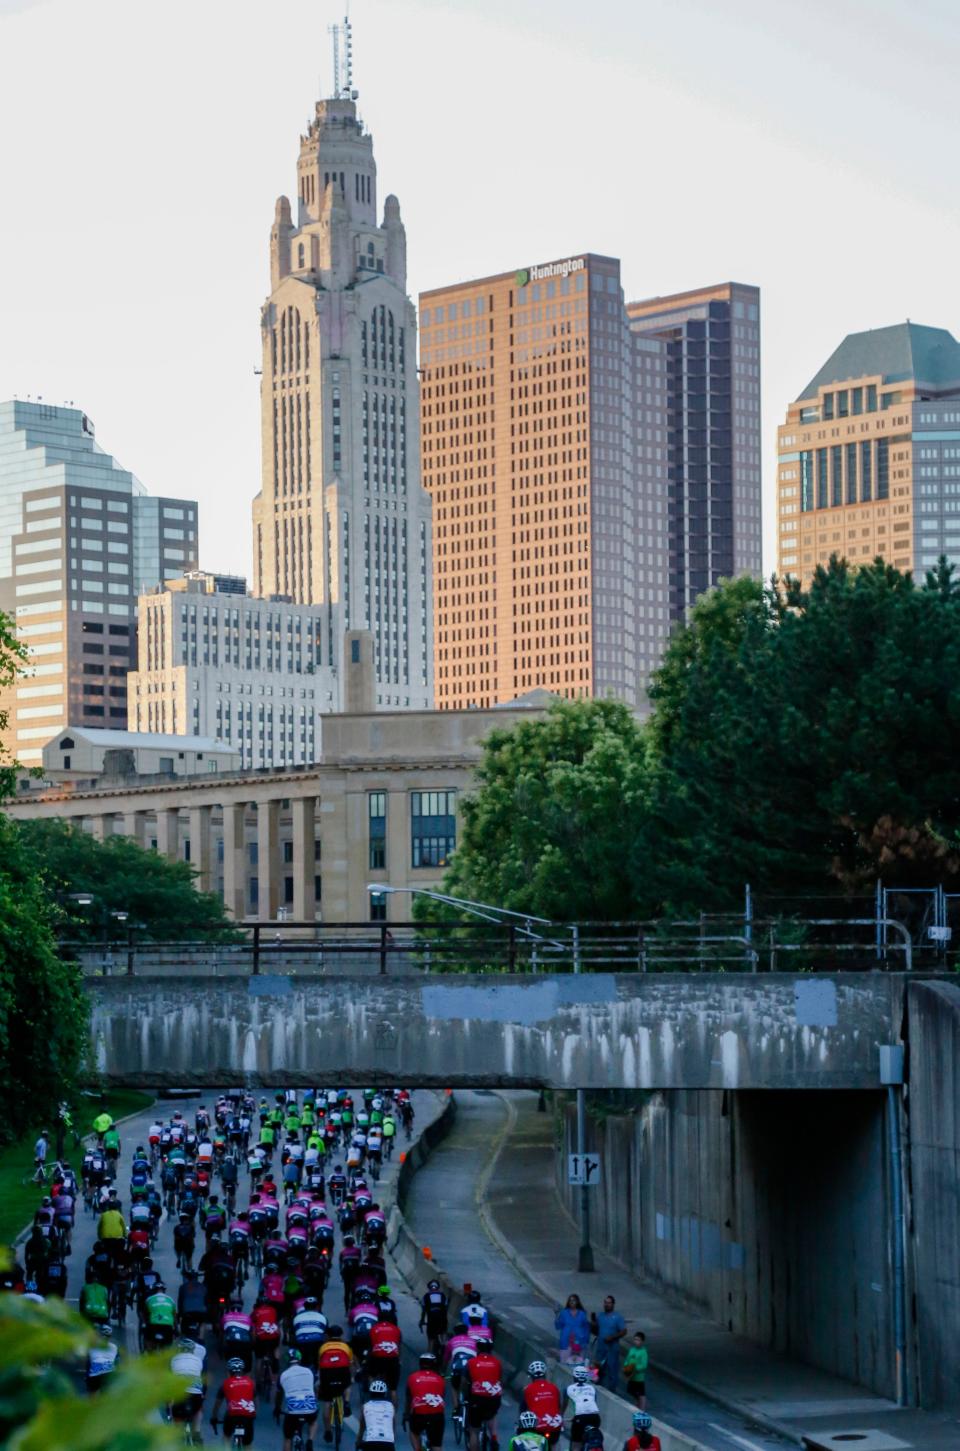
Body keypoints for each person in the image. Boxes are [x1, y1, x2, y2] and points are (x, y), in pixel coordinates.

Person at [275, 1346, 320, 1451]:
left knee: (287, 1438)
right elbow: (315, 1387)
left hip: (293, 1409)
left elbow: (279, 1395)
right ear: (299, 1359)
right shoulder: (309, 1371)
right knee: (313, 1422)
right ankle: (310, 1440)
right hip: (309, 1405)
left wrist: (277, 1408)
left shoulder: (283, 1375)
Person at [465, 1335, 503, 1451]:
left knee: (474, 1431)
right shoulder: (497, 1363)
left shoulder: (471, 1362)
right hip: (494, 1397)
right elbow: (498, 1379)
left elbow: (466, 1381)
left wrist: (466, 1395)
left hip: (477, 1397)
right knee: (492, 1414)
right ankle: (494, 1437)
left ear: (478, 1349)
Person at [405, 1351, 445, 1451]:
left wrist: (406, 1414)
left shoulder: (412, 1377)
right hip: (437, 1415)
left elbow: (409, 1398)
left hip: (419, 1414)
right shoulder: (440, 1379)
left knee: (414, 1432)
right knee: (437, 1445)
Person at [211, 1356, 257, 1445]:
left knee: (227, 1436)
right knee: (248, 1444)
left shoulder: (225, 1383)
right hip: (248, 1414)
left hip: (232, 1415)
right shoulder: (250, 1382)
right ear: (243, 1371)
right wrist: (254, 1413)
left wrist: (214, 1417)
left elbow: (217, 1404)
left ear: (229, 1371)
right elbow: (255, 1401)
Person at [170, 1336, 207, 1439]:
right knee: (198, 1410)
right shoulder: (198, 1360)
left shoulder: (174, 1359)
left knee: (172, 1405)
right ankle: (197, 1431)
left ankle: (176, 1433)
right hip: (195, 1394)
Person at [522, 1362, 563, 1446]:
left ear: (531, 1376)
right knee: (554, 1444)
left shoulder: (527, 1389)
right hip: (554, 1424)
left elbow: (523, 1410)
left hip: (538, 1426)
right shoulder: (554, 1388)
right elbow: (558, 1407)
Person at [590, 1297, 626, 1392]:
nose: (607, 1304)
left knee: (612, 1370)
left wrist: (612, 1337)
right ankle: (591, 1386)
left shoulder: (617, 1317)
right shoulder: (600, 1316)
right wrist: (593, 1322)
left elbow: (623, 1331)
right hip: (601, 1348)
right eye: (605, 1303)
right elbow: (595, 1331)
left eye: (609, 1303)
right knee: (595, 1368)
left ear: (613, 1304)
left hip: (612, 1348)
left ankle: (611, 1391)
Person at [564, 1366, 600, 1451]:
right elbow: (592, 1404)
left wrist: (561, 1416)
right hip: (595, 1418)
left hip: (580, 1418)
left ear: (574, 1377)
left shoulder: (569, 1388)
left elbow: (564, 1404)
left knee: (576, 1444)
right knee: (592, 1439)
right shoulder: (592, 1388)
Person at [359, 1378, 396, 1451]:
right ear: (385, 1394)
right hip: (388, 1443)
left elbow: (362, 1428)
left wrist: (358, 1441)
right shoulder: (391, 1406)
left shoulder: (365, 1406)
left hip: (371, 1441)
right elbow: (393, 1427)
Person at [555, 1295, 590, 1364]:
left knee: (579, 1364)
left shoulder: (582, 1314)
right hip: (565, 1344)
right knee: (564, 1364)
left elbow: (586, 1329)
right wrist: (557, 1314)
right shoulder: (564, 1313)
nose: (572, 1302)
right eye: (570, 1300)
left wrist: (585, 1342)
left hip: (579, 1344)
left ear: (577, 1302)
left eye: (573, 1300)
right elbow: (558, 1326)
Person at [86, 1322, 119, 1394]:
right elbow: (117, 1362)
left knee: (92, 1392)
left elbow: (88, 1363)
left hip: (95, 1372)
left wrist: (87, 1375)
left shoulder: (91, 1345)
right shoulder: (114, 1347)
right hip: (109, 1372)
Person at [622, 1331, 648, 1410]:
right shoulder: (632, 1350)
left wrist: (634, 1368)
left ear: (642, 1341)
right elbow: (627, 1359)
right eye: (635, 1339)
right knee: (630, 1390)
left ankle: (642, 1408)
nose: (636, 1342)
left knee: (641, 1393)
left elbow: (643, 1365)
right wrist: (626, 1366)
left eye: (638, 1340)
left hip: (639, 1377)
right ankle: (638, 1402)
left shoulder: (643, 1352)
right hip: (631, 1375)